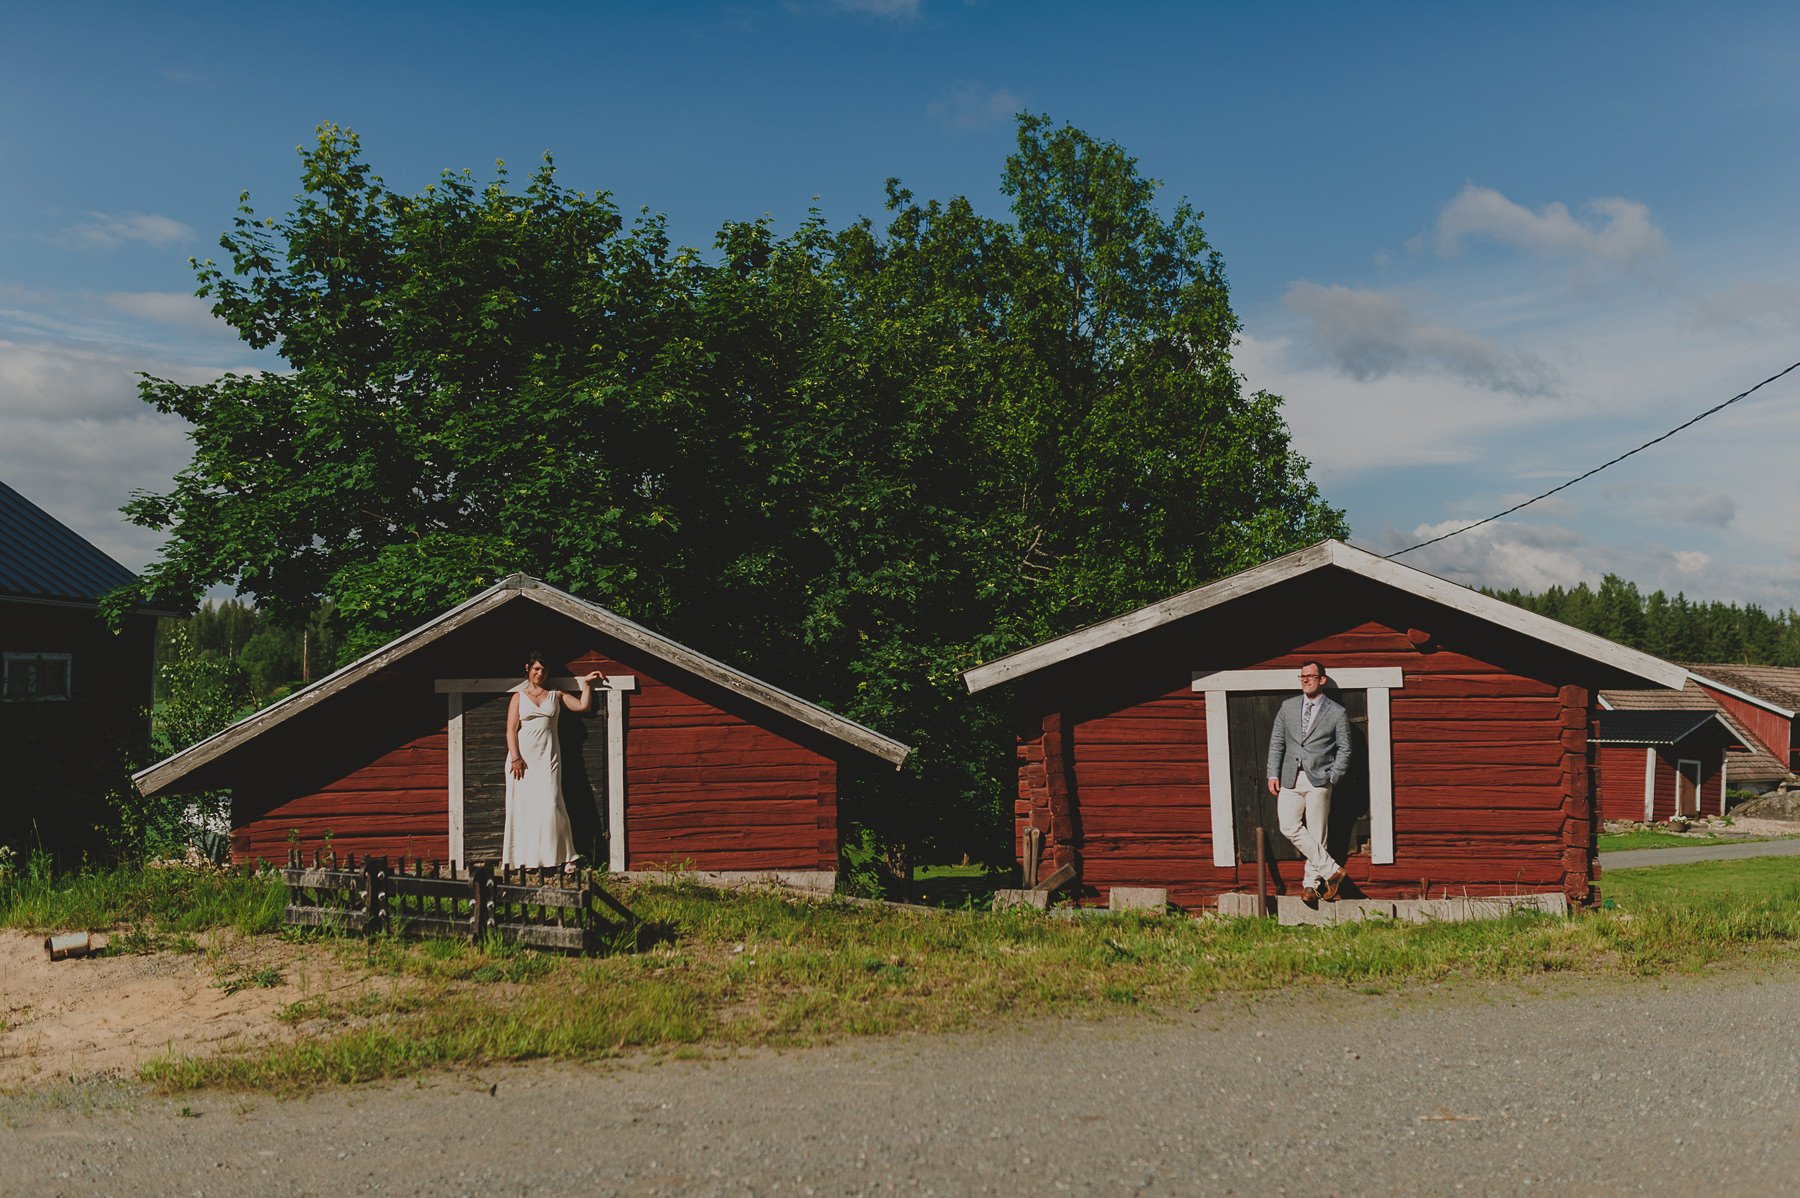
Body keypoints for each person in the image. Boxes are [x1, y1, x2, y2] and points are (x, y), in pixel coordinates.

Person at [504, 651, 606, 871]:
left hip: (548, 757)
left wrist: (586, 684)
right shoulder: (518, 697)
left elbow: (582, 707)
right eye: (536, 669)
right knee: (524, 809)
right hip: (521, 761)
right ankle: (528, 861)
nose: (540, 673)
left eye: (543, 670)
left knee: (552, 804)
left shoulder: (555, 694)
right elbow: (511, 731)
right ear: (528, 669)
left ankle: (568, 858)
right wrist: (515, 758)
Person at [1265, 661, 1353, 902]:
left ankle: (1310, 886)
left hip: (1320, 779)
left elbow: (1345, 749)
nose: (1305, 680)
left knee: (1317, 833)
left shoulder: (1336, 712)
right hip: (1289, 777)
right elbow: (1277, 742)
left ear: (1321, 680)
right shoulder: (1288, 707)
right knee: (1288, 826)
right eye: (1302, 676)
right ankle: (1331, 871)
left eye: (1310, 676)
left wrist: (1333, 776)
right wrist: (1272, 773)